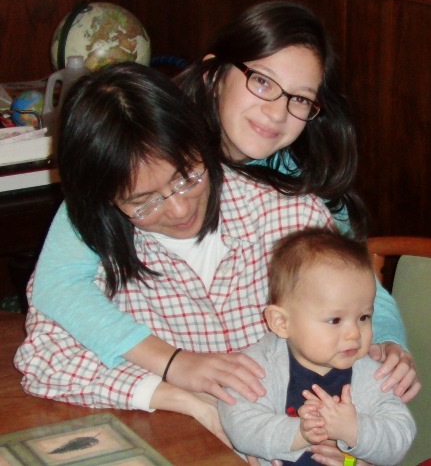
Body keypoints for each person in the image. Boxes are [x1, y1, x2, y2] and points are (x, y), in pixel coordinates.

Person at [30, 2, 419, 412]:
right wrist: (172, 365)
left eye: (300, 99)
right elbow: (57, 285)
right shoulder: (144, 150)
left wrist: (388, 339)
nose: (276, 113)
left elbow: (356, 280)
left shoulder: (296, 186)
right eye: (263, 82)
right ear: (213, 75)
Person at [15, 62, 335, 446]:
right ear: (106, 200)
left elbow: (348, 335)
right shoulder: (98, 247)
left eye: (187, 177)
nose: (180, 210)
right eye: (144, 202)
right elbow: (43, 360)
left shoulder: (291, 219)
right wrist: (177, 393)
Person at [218, 228, 416, 465]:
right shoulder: (259, 365)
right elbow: (238, 422)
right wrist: (300, 433)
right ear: (281, 322)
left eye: (364, 317)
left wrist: (354, 430)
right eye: (335, 320)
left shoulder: (371, 374)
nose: (354, 333)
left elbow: (400, 435)